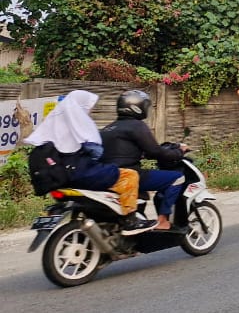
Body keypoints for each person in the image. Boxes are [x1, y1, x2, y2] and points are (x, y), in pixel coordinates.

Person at [23, 89, 155, 234]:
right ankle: (130, 221)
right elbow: (96, 151)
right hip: (78, 172)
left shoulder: (54, 124)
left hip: (60, 176)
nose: (90, 110)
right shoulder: (80, 122)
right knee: (129, 175)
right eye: (89, 106)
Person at [101, 89, 189, 232]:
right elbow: (155, 151)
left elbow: (126, 152)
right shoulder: (137, 125)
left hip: (108, 175)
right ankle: (163, 221)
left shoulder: (108, 128)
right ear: (136, 107)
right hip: (130, 175)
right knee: (177, 177)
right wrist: (179, 152)